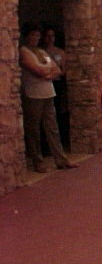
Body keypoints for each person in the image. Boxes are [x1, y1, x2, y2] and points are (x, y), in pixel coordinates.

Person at [19, 22, 76, 173]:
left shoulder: (42, 52)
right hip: (33, 94)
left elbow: (57, 69)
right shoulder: (24, 51)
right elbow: (37, 69)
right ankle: (37, 160)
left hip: (48, 92)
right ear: (27, 37)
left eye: (37, 35)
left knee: (53, 128)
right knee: (34, 129)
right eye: (32, 35)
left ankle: (60, 159)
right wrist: (47, 71)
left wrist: (47, 72)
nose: (35, 38)